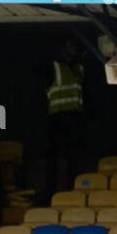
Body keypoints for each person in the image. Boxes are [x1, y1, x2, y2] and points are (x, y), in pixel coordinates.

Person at [44, 37, 87, 199]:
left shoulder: (79, 68)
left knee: (73, 157)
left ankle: (71, 192)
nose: (71, 51)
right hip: (57, 117)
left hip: (75, 117)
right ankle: (51, 193)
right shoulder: (53, 66)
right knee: (54, 157)